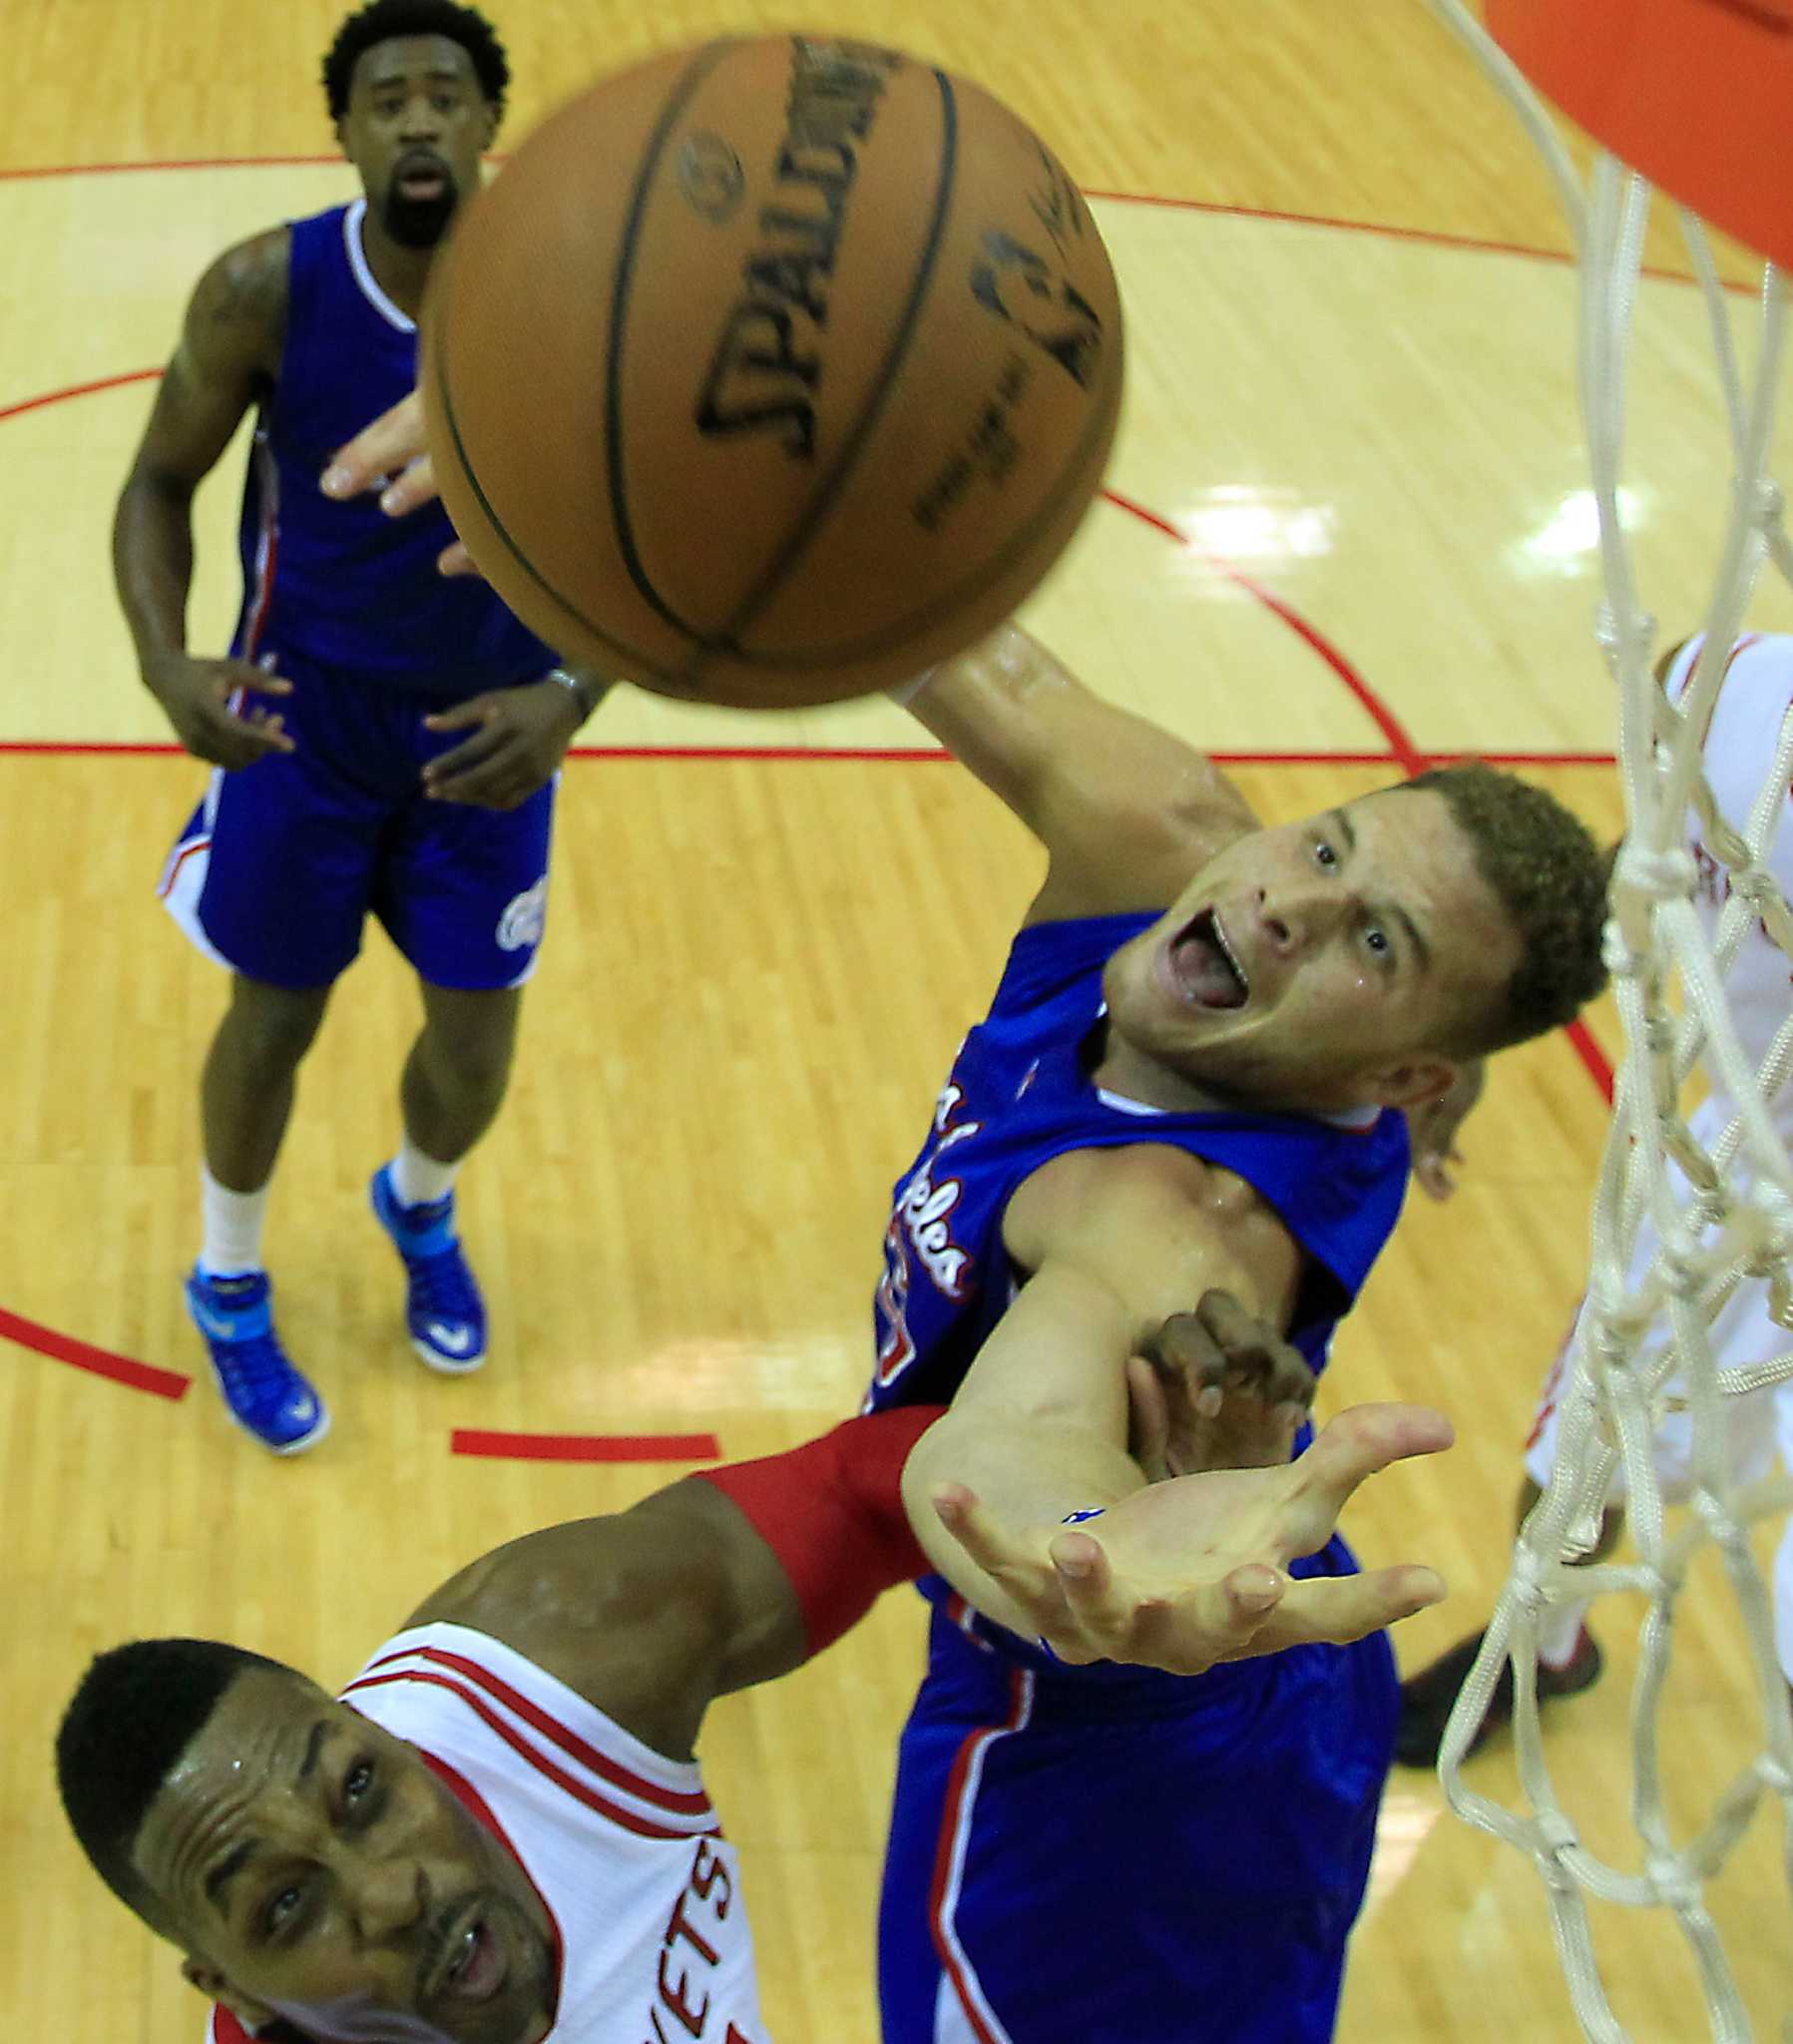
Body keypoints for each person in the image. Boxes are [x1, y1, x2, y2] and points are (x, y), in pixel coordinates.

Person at [321, 398, 1612, 2041]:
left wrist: (1085, 1542)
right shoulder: (1166, 835)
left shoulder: (1164, 1222)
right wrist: (593, 423)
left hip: (1135, 1733)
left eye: (1373, 944)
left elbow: (1013, 1436)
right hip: (1248, 1626)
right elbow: (891, 590)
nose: (1286, 900)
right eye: (1327, 845)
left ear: (1407, 1070)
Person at [55, 1302, 1456, 2044]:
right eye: (287, 1904)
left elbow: (870, 1483)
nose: (390, 1890)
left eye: (362, 1790)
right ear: (230, 1988)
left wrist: (1085, 1524)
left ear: (394, 1741)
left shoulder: (557, 1658)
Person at [113, 0, 605, 1454]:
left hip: (489, 731)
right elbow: (157, 484)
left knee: (475, 1045)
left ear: (489, 121)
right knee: (273, 1020)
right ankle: (228, 1275)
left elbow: (655, 536)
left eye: (445, 94)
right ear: (343, 132)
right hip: (303, 722)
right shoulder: (264, 287)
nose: (418, 119)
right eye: (386, 100)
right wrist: (164, 663)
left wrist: (572, 695)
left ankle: (419, 1203)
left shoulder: (580, 295)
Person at [1397, 630, 1793, 1767]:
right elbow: (1645, 860)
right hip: (1736, 1173)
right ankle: (1547, 1644)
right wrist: (1469, 1031)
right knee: (1572, 1467)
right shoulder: (1715, 679)